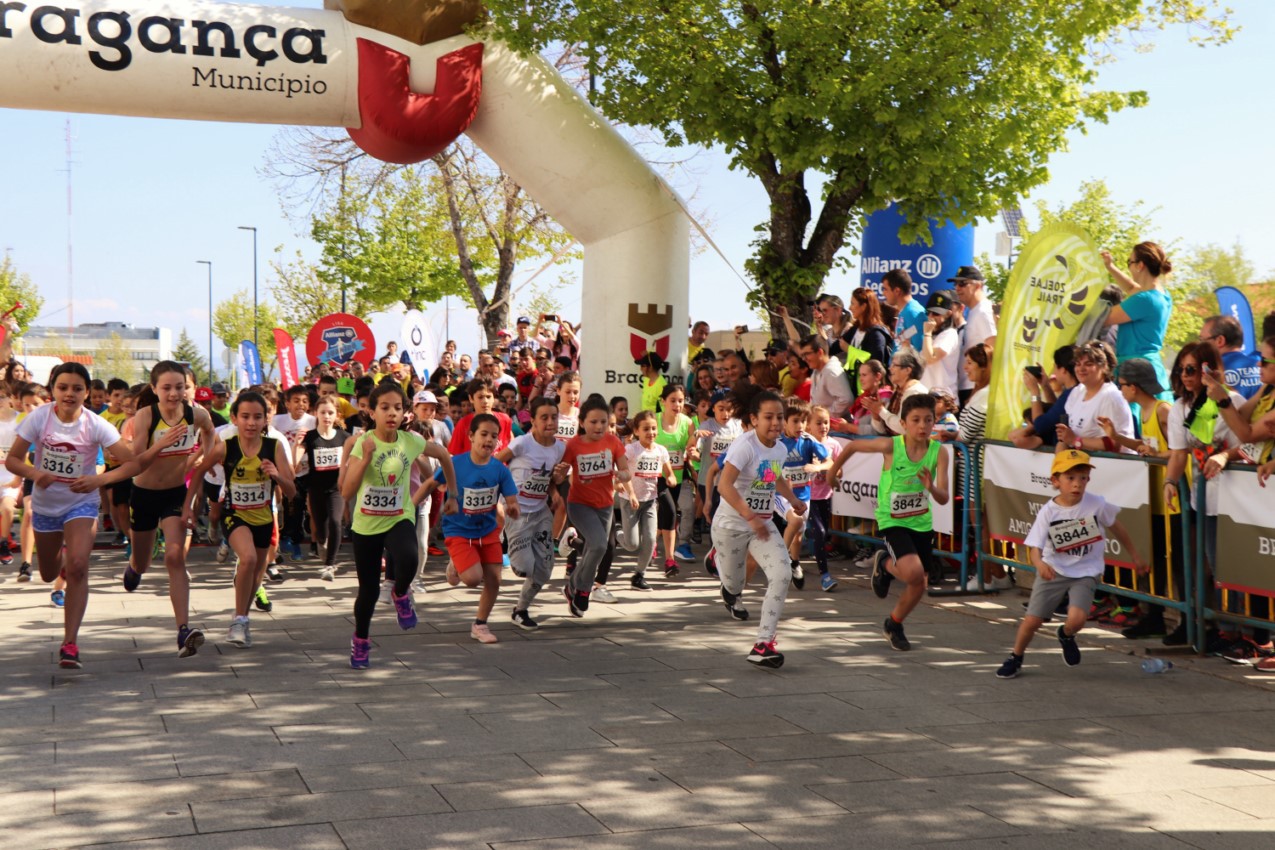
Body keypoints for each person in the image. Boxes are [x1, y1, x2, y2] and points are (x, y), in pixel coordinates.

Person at [6, 364, 141, 668]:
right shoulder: (40, 417)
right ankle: (64, 559)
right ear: (53, 389)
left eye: (77, 388)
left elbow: (132, 464)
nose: (70, 394)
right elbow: (13, 459)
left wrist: (98, 480)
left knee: (80, 565)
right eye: (63, 387)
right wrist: (34, 473)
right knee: (49, 572)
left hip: (81, 503)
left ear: (87, 392)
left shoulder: (95, 425)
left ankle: (70, 643)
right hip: (45, 506)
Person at [995, 450, 1146, 678]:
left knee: (1077, 619)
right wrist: (1040, 565)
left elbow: (1118, 527)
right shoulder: (1049, 511)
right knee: (1032, 620)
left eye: (1083, 478)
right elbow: (1034, 547)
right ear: (1056, 481)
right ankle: (1016, 656)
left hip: (1086, 571)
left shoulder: (1096, 504)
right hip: (1054, 570)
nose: (1077, 484)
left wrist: (1135, 555)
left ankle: (1066, 634)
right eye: (1070, 478)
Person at [340, 382, 458, 667]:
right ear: (371, 412)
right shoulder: (363, 443)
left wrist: (452, 493)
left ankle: (400, 592)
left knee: (409, 556)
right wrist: (366, 457)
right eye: (384, 408)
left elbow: (443, 455)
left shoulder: (410, 441)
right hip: (366, 525)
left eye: (397, 408)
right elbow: (346, 491)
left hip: (398, 517)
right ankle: (361, 640)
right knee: (367, 592)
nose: (391, 413)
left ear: (405, 412)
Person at [826, 393, 950, 651]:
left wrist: (931, 487)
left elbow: (943, 497)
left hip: (921, 522)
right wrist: (831, 471)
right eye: (916, 420)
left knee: (919, 584)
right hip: (892, 519)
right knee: (913, 572)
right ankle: (883, 561)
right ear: (903, 423)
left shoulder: (940, 453)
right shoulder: (892, 446)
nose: (922, 426)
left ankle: (894, 623)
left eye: (928, 420)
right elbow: (852, 447)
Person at [124, 361, 220, 656]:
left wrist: (202, 462)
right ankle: (134, 567)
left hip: (175, 495)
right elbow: (137, 460)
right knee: (143, 562)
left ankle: (183, 631)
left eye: (179, 387)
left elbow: (211, 438)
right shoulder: (145, 416)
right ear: (154, 389)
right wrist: (162, 443)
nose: (174, 393)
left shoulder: (196, 414)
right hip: (143, 494)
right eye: (166, 388)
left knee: (175, 557)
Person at [711, 384, 807, 667]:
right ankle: (721, 569)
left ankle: (764, 643)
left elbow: (773, 476)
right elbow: (724, 486)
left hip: (763, 525)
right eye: (769, 417)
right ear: (754, 419)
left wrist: (791, 500)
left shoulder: (778, 449)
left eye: (780, 416)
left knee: (782, 574)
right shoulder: (745, 445)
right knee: (734, 584)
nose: (776, 422)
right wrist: (750, 516)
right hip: (731, 525)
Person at [1097, 358, 1178, 641]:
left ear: (1134, 386)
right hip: (1153, 499)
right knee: (1154, 559)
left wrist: (1156, 456)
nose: (1120, 391)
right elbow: (1148, 447)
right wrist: (1117, 436)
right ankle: (1153, 615)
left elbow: (1180, 451)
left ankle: (1178, 620)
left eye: (1122, 386)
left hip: (1173, 499)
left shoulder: (1163, 410)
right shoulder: (1144, 412)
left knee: (1174, 563)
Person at [421, 414, 518, 644]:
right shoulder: (455, 464)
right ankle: (456, 562)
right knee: (473, 579)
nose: (489, 440)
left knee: (494, 579)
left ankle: (480, 624)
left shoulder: (500, 469)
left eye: (494, 436)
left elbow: (512, 498)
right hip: (458, 530)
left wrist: (513, 507)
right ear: (471, 436)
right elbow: (433, 483)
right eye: (483, 434)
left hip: (488, 530)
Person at [498, 398, 569, 629]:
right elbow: (494, 464)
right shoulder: (522, 443)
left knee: (544, 571)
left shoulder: (560, 448)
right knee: (524, 568)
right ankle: (502, 537)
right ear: (533, 420)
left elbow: (547, 478)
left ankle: (520, 610)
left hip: (540, 513)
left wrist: (555, 490)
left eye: (554, 417)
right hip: (517, 513)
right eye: (544, 417)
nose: (550, 422)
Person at [561, 394, 634, 617]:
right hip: (579, 504)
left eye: (603, 421)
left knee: (597, 549)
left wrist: (620, 474)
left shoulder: (613, 442)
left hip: (605, 505)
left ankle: (572, 585)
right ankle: (583, 590)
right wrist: (561, 473)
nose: (599, 426)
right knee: (600, 545)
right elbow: (562, 473)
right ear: (582, 422)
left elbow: (626, 472)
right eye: (593, 422)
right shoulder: (574, 445)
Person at [1101, 241, 1174, 399]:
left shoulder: (1144, 300)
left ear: (1140, 265)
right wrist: (1110, 267)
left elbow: (1102, 318)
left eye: (1130, 262)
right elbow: (1131, 288)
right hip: (1149, 368)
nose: (1129, 267)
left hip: (1136, 375)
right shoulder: (1162, 294)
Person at [619, 409, 676, 589]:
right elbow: (622, 471)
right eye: (646, 429)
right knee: (631, 544)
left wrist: (671, 478)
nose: (651, 433)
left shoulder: (661, 450)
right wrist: (631, 493)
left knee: (651, 539)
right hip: (630, 501)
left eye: (653, 428)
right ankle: (616, 533)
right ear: (636, 431)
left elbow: (669, 471)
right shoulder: (631, 449)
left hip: (650, 502)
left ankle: (639, 575)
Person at [778, 398, 829, 591]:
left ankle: (794, 562)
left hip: (803, 495)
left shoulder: (809, 441)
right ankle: (782, 561)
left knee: (798, 535)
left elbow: (830, 462)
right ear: (784, 422)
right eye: (795, 421)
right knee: (795, 522)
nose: (800, 426)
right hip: (781, 495)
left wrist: (818, 466)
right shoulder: (778, 442)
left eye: (803, 421)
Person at [1056, 341, 1135, 454]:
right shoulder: (1077, 392)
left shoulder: (1110, 397)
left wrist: (1075, 440)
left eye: (1088, 364)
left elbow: (1114, 444)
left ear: (1104, 367)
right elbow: (1065, 438)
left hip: (1114, 467)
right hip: (1081, 464)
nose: (1081, 369)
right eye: (1078, 364)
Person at [302, 396, 348, 580]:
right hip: (316, 488)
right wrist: (296, 452)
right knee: (320, 529)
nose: (326, 416)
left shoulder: (344, 437)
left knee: (336, 522)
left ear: (337, 415)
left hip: (337, 488)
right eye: (323, 412)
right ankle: (321, 542)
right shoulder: (310, 436)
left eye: (330, 412)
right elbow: (297, 458)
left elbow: (354, 458)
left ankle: (330, 564)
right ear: (315, 414)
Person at [654, 383, 697, 571]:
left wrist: (694, 452)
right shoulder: (654, 420)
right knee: (670, 512)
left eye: (680, 401)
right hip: (656, 477)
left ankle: (655, 546)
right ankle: (670, 559)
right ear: (663, 401)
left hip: (677, 477)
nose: (677, 405)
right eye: (673, 400)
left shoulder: (688, 423)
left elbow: (690, 448)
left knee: (666, 517)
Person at [948, 265, 998, 406]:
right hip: (968, 385)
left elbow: (992, 352)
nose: (957, 288)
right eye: (955, 284)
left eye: (962, 283)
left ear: (978, 286)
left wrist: (977, 390)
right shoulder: (975, 311)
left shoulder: (984, 311)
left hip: (975, 387)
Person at [1201, 314, 1262, 399]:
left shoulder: (1210, 371)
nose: (1200, 345)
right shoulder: (1263, 366)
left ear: (1220, 341)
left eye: (1202, 340)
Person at [870, 351, 928, 436]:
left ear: (907, 370)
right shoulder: (898, 391)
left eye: (894, 365)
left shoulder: (915, 392)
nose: (890, 368)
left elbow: (904, 427)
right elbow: (884, 430)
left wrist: (881, 410)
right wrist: (876, 414)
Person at [798, 334, 853, 422]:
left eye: (807, 354)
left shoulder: (831, 371)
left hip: (835, 431)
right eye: (803, 355)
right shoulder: (816, 371)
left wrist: (824, 416)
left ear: (820, 352)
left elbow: (846, 400)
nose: (804, 359)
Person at [919, 291, 960, 397]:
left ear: (948, 314)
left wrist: (927, 333)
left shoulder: (950, 334)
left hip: (944, 399)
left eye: (936, 313)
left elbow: (931, 358)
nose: (931, 316)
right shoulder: (933, 334)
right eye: (929, 312)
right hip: (928, 396)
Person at [956, 343, 992, 442]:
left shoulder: (984, 394)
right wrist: (952, 435)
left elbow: (964, 437)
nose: (965, 367)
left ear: (983, 366)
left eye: (969, 363)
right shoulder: (981, 393)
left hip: (974, 457)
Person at [883, 268, 925, 352]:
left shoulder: (913, 313)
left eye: (885, 289)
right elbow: (902, 340)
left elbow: (919, 351)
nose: (883, 293)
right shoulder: (905, 312)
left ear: (897, 291)